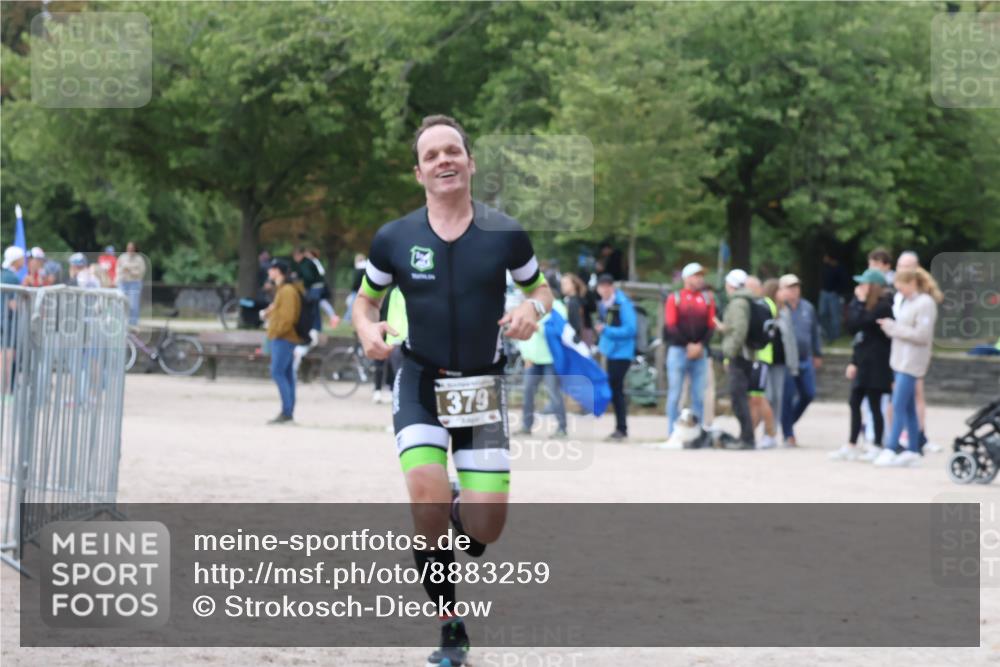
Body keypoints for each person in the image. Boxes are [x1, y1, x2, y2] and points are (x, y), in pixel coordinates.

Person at [351, 114, 552, 667]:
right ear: (419, 172)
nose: (444, 160)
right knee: (426, 498)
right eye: (432, 155)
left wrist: (531, 310)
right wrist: (368, 330)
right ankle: (450, 627)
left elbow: (543, 290)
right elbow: (364, 301)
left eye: (452, 151)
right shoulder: (395, 238)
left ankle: (463, 509)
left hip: (482, 387)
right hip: (418, 378)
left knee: (485, 528)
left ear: (470, 162)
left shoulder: (505, 233)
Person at [873, 268, 942, 467]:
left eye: (901, 287)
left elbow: (922, 335)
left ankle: (891, 446)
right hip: (900, 359)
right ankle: (913, 449)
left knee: (898, 404)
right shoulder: (908, 302)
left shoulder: (925, 303)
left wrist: (894, 328)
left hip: (911, 362)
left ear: (912, 283)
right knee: (909, 406)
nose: (900, 292)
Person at [829, 269, 894, 461]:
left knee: (874, 404)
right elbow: (852, 328)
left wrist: (858, 301)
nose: (859, 288)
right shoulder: (865, 305)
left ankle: (877, 445)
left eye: (864, 284)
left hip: (877, 364)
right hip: (864, 362)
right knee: (855, 401)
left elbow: (861, 322)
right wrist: (853, 361)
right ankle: (852, 443)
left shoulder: (883, 306)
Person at [663, 262, 715, 436]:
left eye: (701, 276)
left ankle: (696, 433)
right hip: (679, 350)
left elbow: (710, 325)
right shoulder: (675, 297)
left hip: (700, 351)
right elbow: (671, 325)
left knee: (698, 395)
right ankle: (673, 432)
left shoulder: (707, 298)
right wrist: (688, 345)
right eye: (696, 275)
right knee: (675, 394)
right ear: (686, 278)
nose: (700, 279)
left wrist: (700, 345)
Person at [779, 273, 822, 446]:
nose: (794, 291)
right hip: (788, 360)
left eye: (796, 287)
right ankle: (788, 432)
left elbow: (814, 332)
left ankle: (788, 423)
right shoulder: (780, 309)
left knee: (809, 393)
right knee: (787, 396)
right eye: (789, 287)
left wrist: (817, 353)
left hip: (805, 358)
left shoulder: (807, 308)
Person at [517, 298, 569, 437]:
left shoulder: (557, 306)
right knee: (527, 391)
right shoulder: (526, 305)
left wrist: (539, 328)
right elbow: (521, 331)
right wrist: (525, 355)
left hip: (550, 359)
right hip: (532, 360)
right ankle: (526, 426)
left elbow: (560, 330)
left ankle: (562, 428)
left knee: (553, 393)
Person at [595, 273, 636, 441]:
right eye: (601, 287)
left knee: (617, 390)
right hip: (612, 352)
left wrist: (606, 330)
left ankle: (621, 428)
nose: (604, 290)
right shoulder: (605, 304)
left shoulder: (623, 304)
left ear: (612, 287)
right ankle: (620, 427)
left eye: (607, 287)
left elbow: (630, 329)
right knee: (616, 389)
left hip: (622, 353)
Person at [261, 259, 303, 425]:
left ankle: (286, 412)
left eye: (270, 269)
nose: (268, 272)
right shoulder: (284, 289)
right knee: (286, 374)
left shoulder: (286, 291)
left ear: (278, 271)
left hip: (284, 337)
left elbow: (287, 318)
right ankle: (288, 412)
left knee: (278, 372)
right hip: (285, 337)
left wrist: (275, 332)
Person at [720, 269, 757, 449]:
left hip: (740, 355)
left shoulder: (738, 303)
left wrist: (729, 351)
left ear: (731, 285)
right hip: (746, 355)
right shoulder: (747, 300)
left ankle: (747, 438)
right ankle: (745, 436)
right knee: (741, 397)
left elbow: (739, 330)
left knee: (738, 398)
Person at [761, 278, 798, 448]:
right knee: (767, 396)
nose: (785, 293)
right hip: (767, 359)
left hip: (781, 360)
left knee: (777, 397)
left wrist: (793, 363)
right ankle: (766, 431)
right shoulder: (765, 308)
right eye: (782, 290)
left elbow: (790, 339)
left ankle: (772, 432)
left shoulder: (785, 311)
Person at [2, 247, 26, 396]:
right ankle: (4, 392)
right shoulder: (12, 278)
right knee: (7, 357)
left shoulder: (3, 275)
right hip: (7, 322)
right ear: (16, 260)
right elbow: (13, 304)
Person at [819, 252, 848, 342]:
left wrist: (837, 292)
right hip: (824, 292)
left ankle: (835, 336)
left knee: (835, 315)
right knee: (822, 313)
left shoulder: (838, 268)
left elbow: (843, 281)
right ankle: (828, 334)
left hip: (833, 294)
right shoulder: (825, 267)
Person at [560, 273, 595, 347]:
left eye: (565, 284)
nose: (562, 286)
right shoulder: (572, 300)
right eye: (562, 284)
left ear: (574, 285)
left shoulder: (574, 302)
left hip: (580, 339)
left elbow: (576, 326)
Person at [117, 242, 146, 325]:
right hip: (123, 282)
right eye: (128, 248)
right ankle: (121, 323)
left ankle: (133, 325)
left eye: (131, 248)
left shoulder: (139, 259)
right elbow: (118, 270)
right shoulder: (122, 257)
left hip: (134, 283)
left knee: (133, 306)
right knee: (121, 304)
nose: (130, 250)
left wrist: (130, 270)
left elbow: (141, 272)